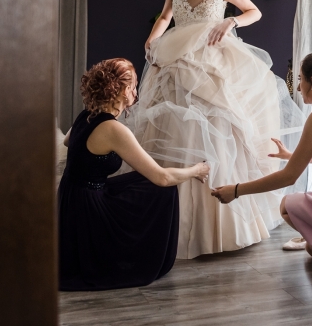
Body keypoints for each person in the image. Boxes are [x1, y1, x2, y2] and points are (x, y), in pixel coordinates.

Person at [115, 0, 304, 259]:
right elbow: (164, 18)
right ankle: (175, 225)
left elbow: (253, 11)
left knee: (222, 133)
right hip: (177, 61)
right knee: (176, 131)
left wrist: (231, 21)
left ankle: (223, 227)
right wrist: (152, 40)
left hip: (217, 59)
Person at [57, 58, 210, 291]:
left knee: (142, 180)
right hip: (88, 209)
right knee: (163, 188)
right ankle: (143, 257)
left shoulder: (86, 114)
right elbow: (163, 177)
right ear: (122, 90)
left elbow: (69, 142)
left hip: (70, 199)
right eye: (134, 86)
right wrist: (196, 170)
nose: (136, 92)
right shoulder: (113, 129)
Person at [211, 52, 312, 281]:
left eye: (300, 79)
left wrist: (236, 190)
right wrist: (291, 155)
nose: (298, 87)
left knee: (287, 205)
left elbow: (288, 178)